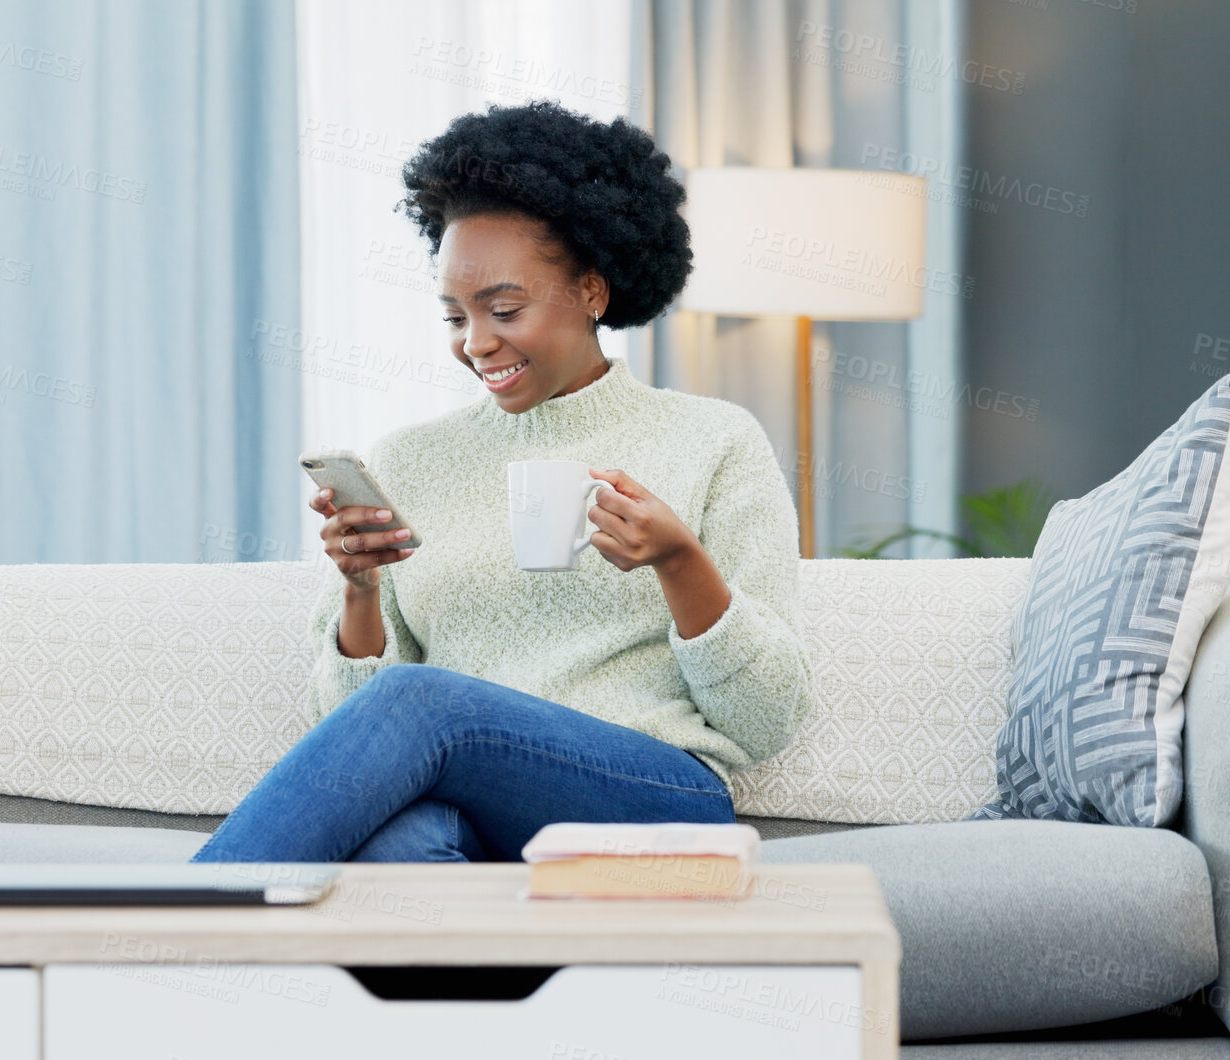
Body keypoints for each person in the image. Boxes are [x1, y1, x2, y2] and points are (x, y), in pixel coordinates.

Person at [191, 99, 813, 864]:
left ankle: (163, 940)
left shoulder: (714, 440)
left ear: (591, 291)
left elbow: (765, 720)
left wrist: (679, 562)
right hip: (466, 803)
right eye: (454, 317)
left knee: (421, 703)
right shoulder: (412, 459)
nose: (477, 343)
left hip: (652, 796)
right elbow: (349, 733)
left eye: (504, 309)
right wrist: (358, 590)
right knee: (401, 847)